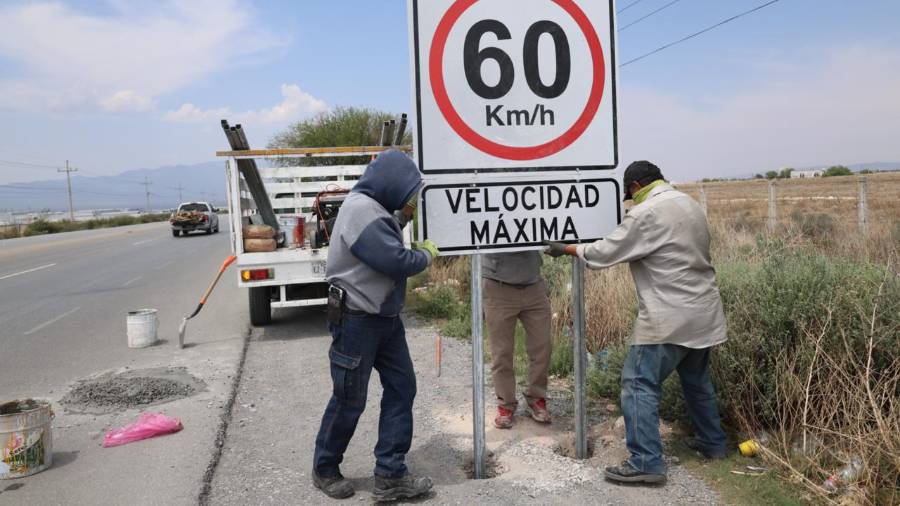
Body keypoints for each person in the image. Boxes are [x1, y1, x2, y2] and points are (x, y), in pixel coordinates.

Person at [545, 160, 728, 485]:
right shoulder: (689, 204)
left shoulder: (646, 213)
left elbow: (605, 252)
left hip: (667, 317)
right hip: (705, 311)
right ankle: (713, 443)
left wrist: (568, 248)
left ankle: (646, 461)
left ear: (633, 188)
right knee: (697, 382)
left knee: (638, 384)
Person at [312, 149, 440, 501]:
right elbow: (393, 259)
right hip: (357, 320)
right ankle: (324, 467)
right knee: (350, 398)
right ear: (390, 183)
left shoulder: (373, 207)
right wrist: (427, 254)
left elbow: (384, 232)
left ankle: (390, 474)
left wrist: (404, 216)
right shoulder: (359, 211)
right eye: (407, 189)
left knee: (402, 388)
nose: (408, 195)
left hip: (383, 318)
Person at [482, 252, 552, 429]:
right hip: (497, 287)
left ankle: (536, 398)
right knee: (501, 353)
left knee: (542, 347)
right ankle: (506, 405)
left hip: (533, 284)